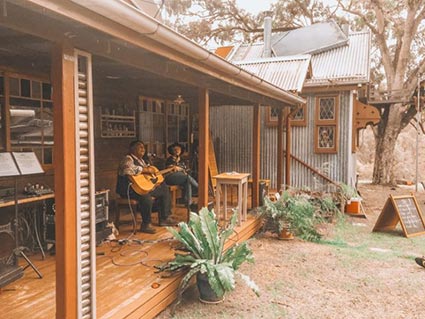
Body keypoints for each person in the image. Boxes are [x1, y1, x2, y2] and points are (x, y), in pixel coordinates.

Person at [116, 140, 177, 234]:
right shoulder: (127, 159)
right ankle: (146, 224)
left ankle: (164, 218)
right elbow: (128, 169)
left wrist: (154, 180)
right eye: (139, 147)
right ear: (132, 149)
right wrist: (146, 169)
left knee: (164, 189)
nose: (143, 149)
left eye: (143, 147)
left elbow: (148, 176)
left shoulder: (142, 161)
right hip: (129, 189)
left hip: (141, 188)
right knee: (146, 197)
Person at [164, 142, 198, 210]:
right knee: (187, 177)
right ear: (172, 151)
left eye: (178, 149)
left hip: (181, 178)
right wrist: (180, 169)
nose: (177, 151)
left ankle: (188, 204)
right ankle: (199, 187)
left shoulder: (182, 160)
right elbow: (171, 169)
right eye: (175, 150)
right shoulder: (170, 159)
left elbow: (185, 169)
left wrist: (182, 169)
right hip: (171, 177)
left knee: (187, 182)